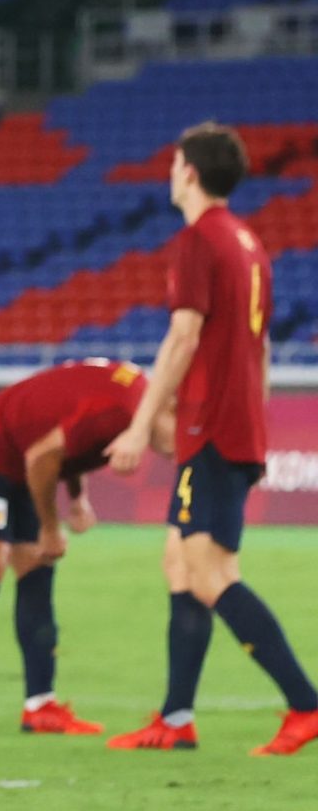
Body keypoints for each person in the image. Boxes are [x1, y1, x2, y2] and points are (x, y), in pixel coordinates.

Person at [104, 123, 318, 755]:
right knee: (181, 563)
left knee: (210, 573)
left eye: (174, 165)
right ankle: (176, 719)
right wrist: (254, 415)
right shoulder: (249, 242)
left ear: (190, 173)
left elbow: (183, 337)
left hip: (211, 429)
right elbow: (261, 345)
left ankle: (306, 705)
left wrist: (140, 425)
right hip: (233, 423)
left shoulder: (199, 240)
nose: (170, 175)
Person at [0, 360, 175, 737]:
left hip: (22, 457)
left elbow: (68, 441)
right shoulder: (117, 413)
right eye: (181, 437)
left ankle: (40, 706)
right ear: (170, 408)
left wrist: (77, 499)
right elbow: (43, 456)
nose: (177, 452)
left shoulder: (135, 401)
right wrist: (50, 528)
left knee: (37, 571)